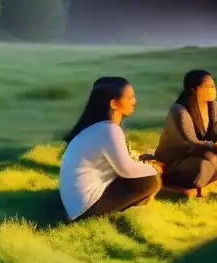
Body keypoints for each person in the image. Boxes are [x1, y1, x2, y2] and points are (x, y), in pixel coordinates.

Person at [58, 77, 162, 220]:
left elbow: (125, 162)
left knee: (145, 161)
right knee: (149, 180)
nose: (134, 101)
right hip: (86, 209)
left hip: (76, 204)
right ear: (113, 103)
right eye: (130, 97)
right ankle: (138, 203)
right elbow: (126, 170)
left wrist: (146, 163)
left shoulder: (98, 128)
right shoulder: (109, 130)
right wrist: (155, 169)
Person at [153, 70, 217, 194]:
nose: (212, 90)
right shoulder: (180, 111)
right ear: (193, 89)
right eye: (207, 87)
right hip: (178, 161)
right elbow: (191, 143)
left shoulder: (213, 106)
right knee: (204, 167)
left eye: (213, 86)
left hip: (206, 154)